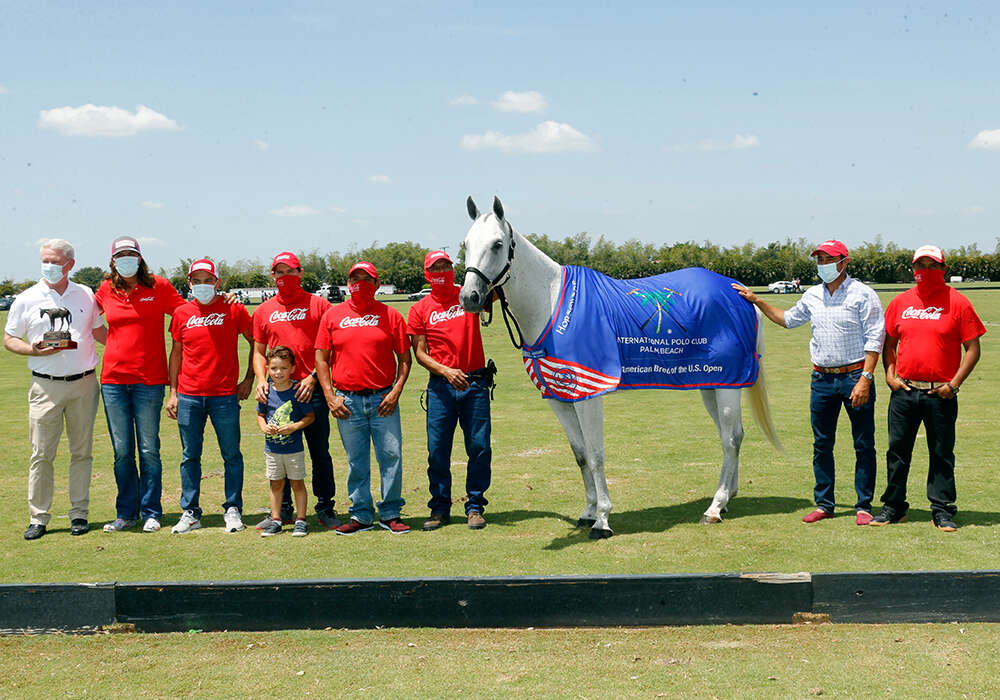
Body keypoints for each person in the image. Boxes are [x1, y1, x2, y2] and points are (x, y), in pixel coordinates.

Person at [732, 240, 884, 525]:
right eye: (819, 259)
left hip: (855, 376)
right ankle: (825, 503)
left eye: (828, 259)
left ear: (844, 261)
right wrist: (758, 301)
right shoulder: (813, 295)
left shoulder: (863, 294)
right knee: (822, 444)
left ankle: (863, 505)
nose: (822, 264)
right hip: (822, 379)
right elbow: (788, 320)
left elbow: (875, 338)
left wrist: (866, 378)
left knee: (863, 444)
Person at [873, 245, 985, 532]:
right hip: (905, 391)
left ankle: (942, 510)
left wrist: (954, 384)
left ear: (943, 268)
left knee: (941, 453)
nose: (926, 271)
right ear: (913, 270)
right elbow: (889, 343)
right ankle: (894, 507)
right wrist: (889, 374)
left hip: (941, 394)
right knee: (897, 452)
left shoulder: (958, 302)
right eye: (920, 266)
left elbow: (972, 347)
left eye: (932, 265)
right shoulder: (901, 302)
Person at [3, 239, 106, 540]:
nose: (48, 265)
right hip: (45, 386)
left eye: (54, 260)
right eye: (44, 259)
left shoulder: (85, 294)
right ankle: (39, 517)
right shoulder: (27, 298)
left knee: (82, 452)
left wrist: (128, 351)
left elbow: (98, 331)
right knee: (42, 454)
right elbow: (9, 339)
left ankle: (79, 514)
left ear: (69, 264)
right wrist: (32, 349)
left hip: (84, 383)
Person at [95, 236, 186, 533]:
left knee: (149, 450)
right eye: (120, 255)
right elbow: (88, 319)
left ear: (139, 257)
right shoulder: (105, 289)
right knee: (122, 451)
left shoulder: (157, 286)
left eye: (130, 254)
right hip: (113, 382)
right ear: (112, 260)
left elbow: (185, 314)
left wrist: (224, 301)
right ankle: (125, 513)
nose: (126, 260)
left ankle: (151, 512)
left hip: (149, 381)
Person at [315, 261, 412, 535]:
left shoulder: (390, 315)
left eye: (366, 279)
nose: (360, 284)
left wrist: (395, 391)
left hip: (383, 399)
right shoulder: (333, 316)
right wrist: (330, 397)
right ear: (348, 284)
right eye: (355, 279)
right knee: (356, 460)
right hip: (347, 400)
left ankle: (391, 513)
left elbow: (405, 359)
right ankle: (361, 515)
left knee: (391, 456)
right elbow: (321, 359)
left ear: (376, 284)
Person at [252, 252, 339, 531]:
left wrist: (313, 378)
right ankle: (285, 511)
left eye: (289, 271)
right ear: (272, 276)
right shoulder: (264, 310)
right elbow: (258, 351)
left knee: (319, 451)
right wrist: (260, 379)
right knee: (280, 450)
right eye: (278, 272)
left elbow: (332, 348)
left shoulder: (319, 304)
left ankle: (325, 506)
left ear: (301, 273)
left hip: (309, 389)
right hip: (279, 390)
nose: (283, 277)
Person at [166, 258, 254, 534]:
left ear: (217, 282)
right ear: (189, 283)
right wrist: (173, 392)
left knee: (231, 455)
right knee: (190, 456)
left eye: (208, 280)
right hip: (190, 396)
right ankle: (191, 512)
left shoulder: (233, 308)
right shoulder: (182, 312)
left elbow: (256, 344)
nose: (202, 285)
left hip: (225, 396)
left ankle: (232, 508)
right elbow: (176, 354)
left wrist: (249, 378)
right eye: (197, 280)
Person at [407, 250, 493, 530]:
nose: (441, 272)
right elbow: (420, 353)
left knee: (479, 448)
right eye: (436, 268)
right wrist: (446, 371)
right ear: (427, 274)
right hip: (442, 387)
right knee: (437, 451)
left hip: (476, 384)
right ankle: (440, 508)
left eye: (446, 266)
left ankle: (475, 506)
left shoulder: (468, 296)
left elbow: (499, 295)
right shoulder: (420, 308)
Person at [256, 346, 315, 537]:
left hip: (294, 450)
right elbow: (260, 414)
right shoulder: (266, 391)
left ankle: (301, 520)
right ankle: (276, 520)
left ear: (292, 368)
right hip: (272, 450)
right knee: (276, 484)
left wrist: (294, 427)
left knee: (297, 483)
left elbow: (310, 416)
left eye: (283, 368)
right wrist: (263, 427)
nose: (278, 373)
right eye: (273, 368)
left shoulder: (297, 390)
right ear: (267, 369)